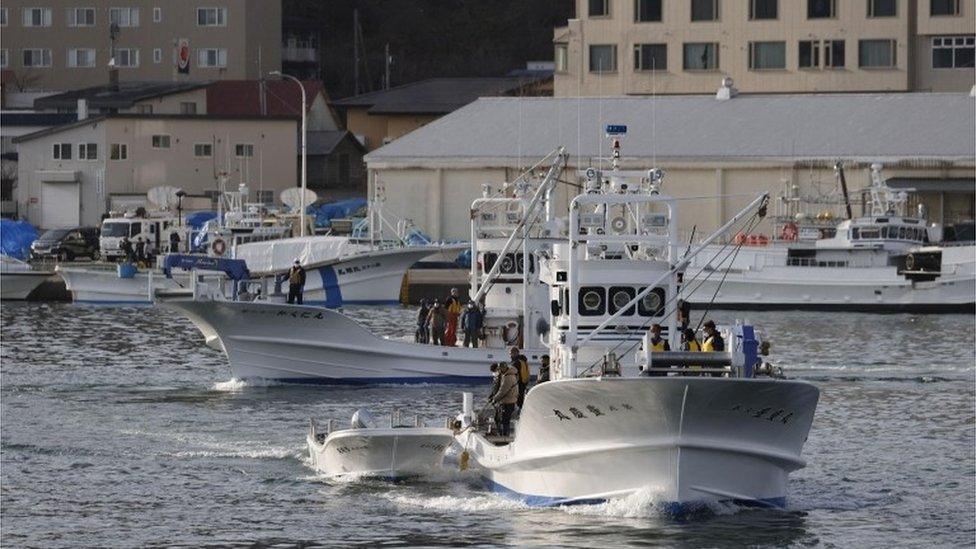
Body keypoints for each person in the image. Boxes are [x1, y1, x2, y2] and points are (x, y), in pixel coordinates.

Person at [491, 362, 518, 437]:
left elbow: (503, 390)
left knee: (504, 420)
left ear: (504, 368)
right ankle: (504, 435)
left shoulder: (507, 377)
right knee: (504, 419)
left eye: (500, 369)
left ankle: (504, 437)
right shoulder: (509, 375)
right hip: (509, 400)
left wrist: (495, 399)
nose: (499, 371)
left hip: (507, 401)